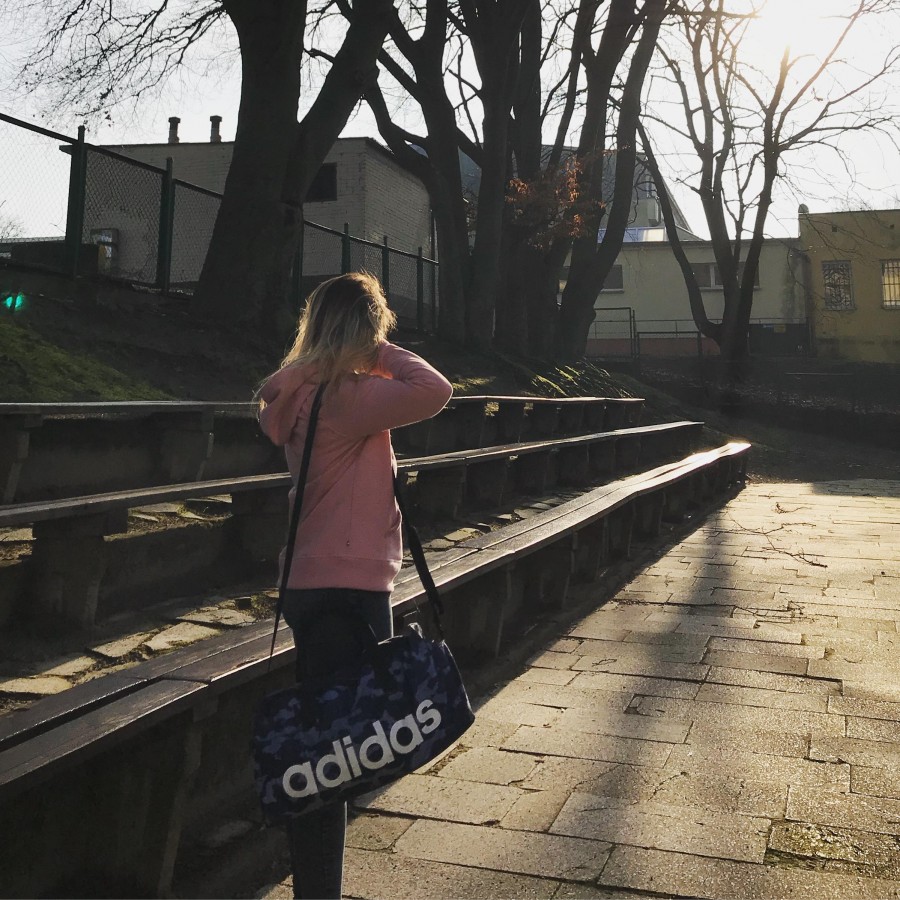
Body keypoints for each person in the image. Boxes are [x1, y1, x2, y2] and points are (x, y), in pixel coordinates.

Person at [257, 272, 452, 899]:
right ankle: (319, 892)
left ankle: (320, 887)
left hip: (310, 580)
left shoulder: (297, 392)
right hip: (351, 583)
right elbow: (435, 389)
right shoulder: (352, 396)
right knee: (332, 756)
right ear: (363, 330)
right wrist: (375, 351)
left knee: (332, 742)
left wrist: (336, 352)